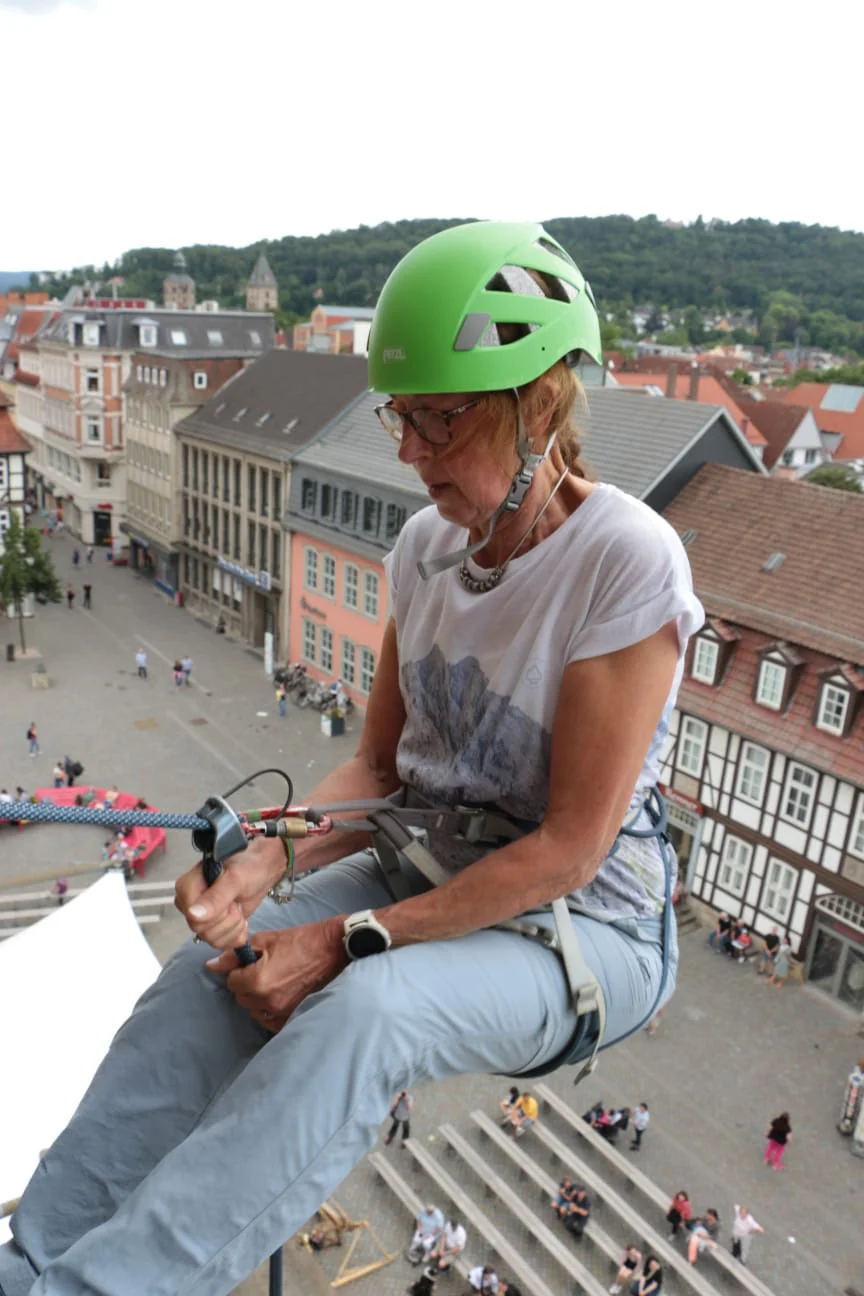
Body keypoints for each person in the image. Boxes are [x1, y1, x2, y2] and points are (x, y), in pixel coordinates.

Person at [0, 220, 703, 1296]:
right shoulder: (424, 549)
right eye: (399, 418)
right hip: (427, 865)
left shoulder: (625, 563)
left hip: (588, 923)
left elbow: (568, 848)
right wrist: (262, 865)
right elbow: (378, 769)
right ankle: (30, 1258)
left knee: (366, 1015)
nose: (408, 451)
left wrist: (342, 939)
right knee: (201, 985)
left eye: (437, 420)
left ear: (542, 403)